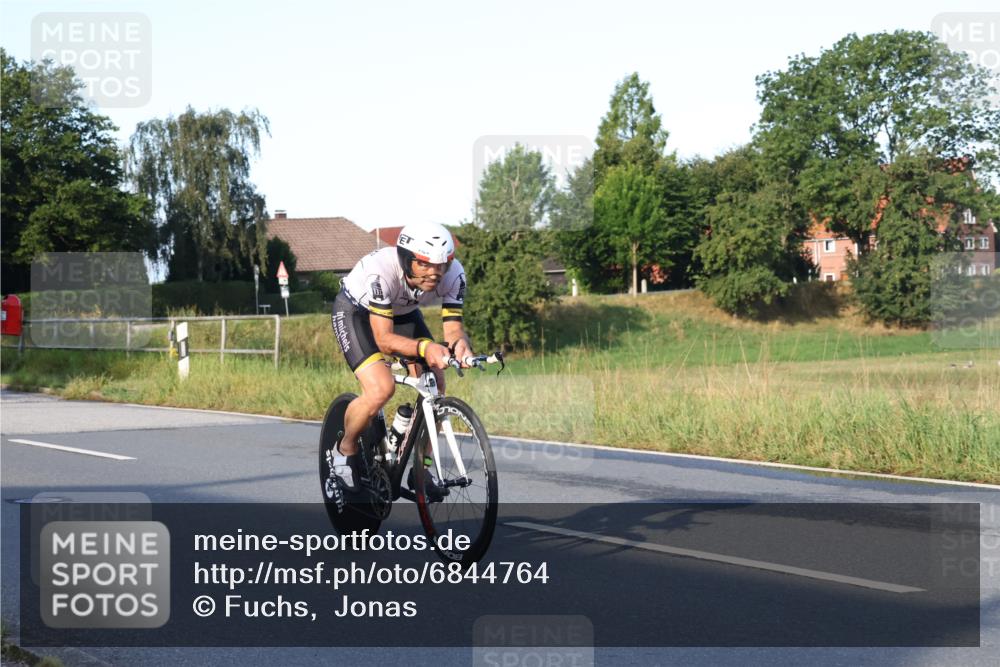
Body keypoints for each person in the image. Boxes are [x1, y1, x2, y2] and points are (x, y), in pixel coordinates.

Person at [329, 221, 474, 493]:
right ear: (407, 260)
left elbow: (453, 328)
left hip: (403, 314)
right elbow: (383, 340)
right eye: (425, 264)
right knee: (381, 388)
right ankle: (343, 450)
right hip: (355, 312)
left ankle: (423, 468)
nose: (435, 273)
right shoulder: (382, 272)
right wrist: (424, 349)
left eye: (442, 264)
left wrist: (460, 345)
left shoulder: (454, 274)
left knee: (435, 383)